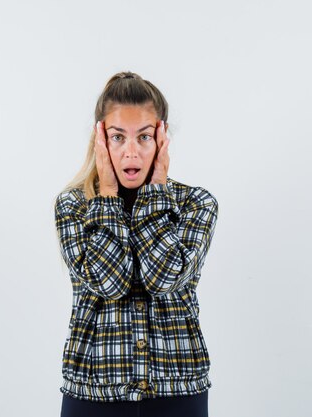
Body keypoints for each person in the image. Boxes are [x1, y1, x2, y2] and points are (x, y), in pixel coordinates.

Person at [53, 71, 219, 417]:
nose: (131, 152)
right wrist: (110, 195)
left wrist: (157, 189)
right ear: (101, 140)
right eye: (118, 137)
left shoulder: (196, 205)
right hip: (93, 393)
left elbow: (164, 279)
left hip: (178, 391)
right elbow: (108, 283)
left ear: (162, 138)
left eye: (144, 137)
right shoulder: (73, 206)